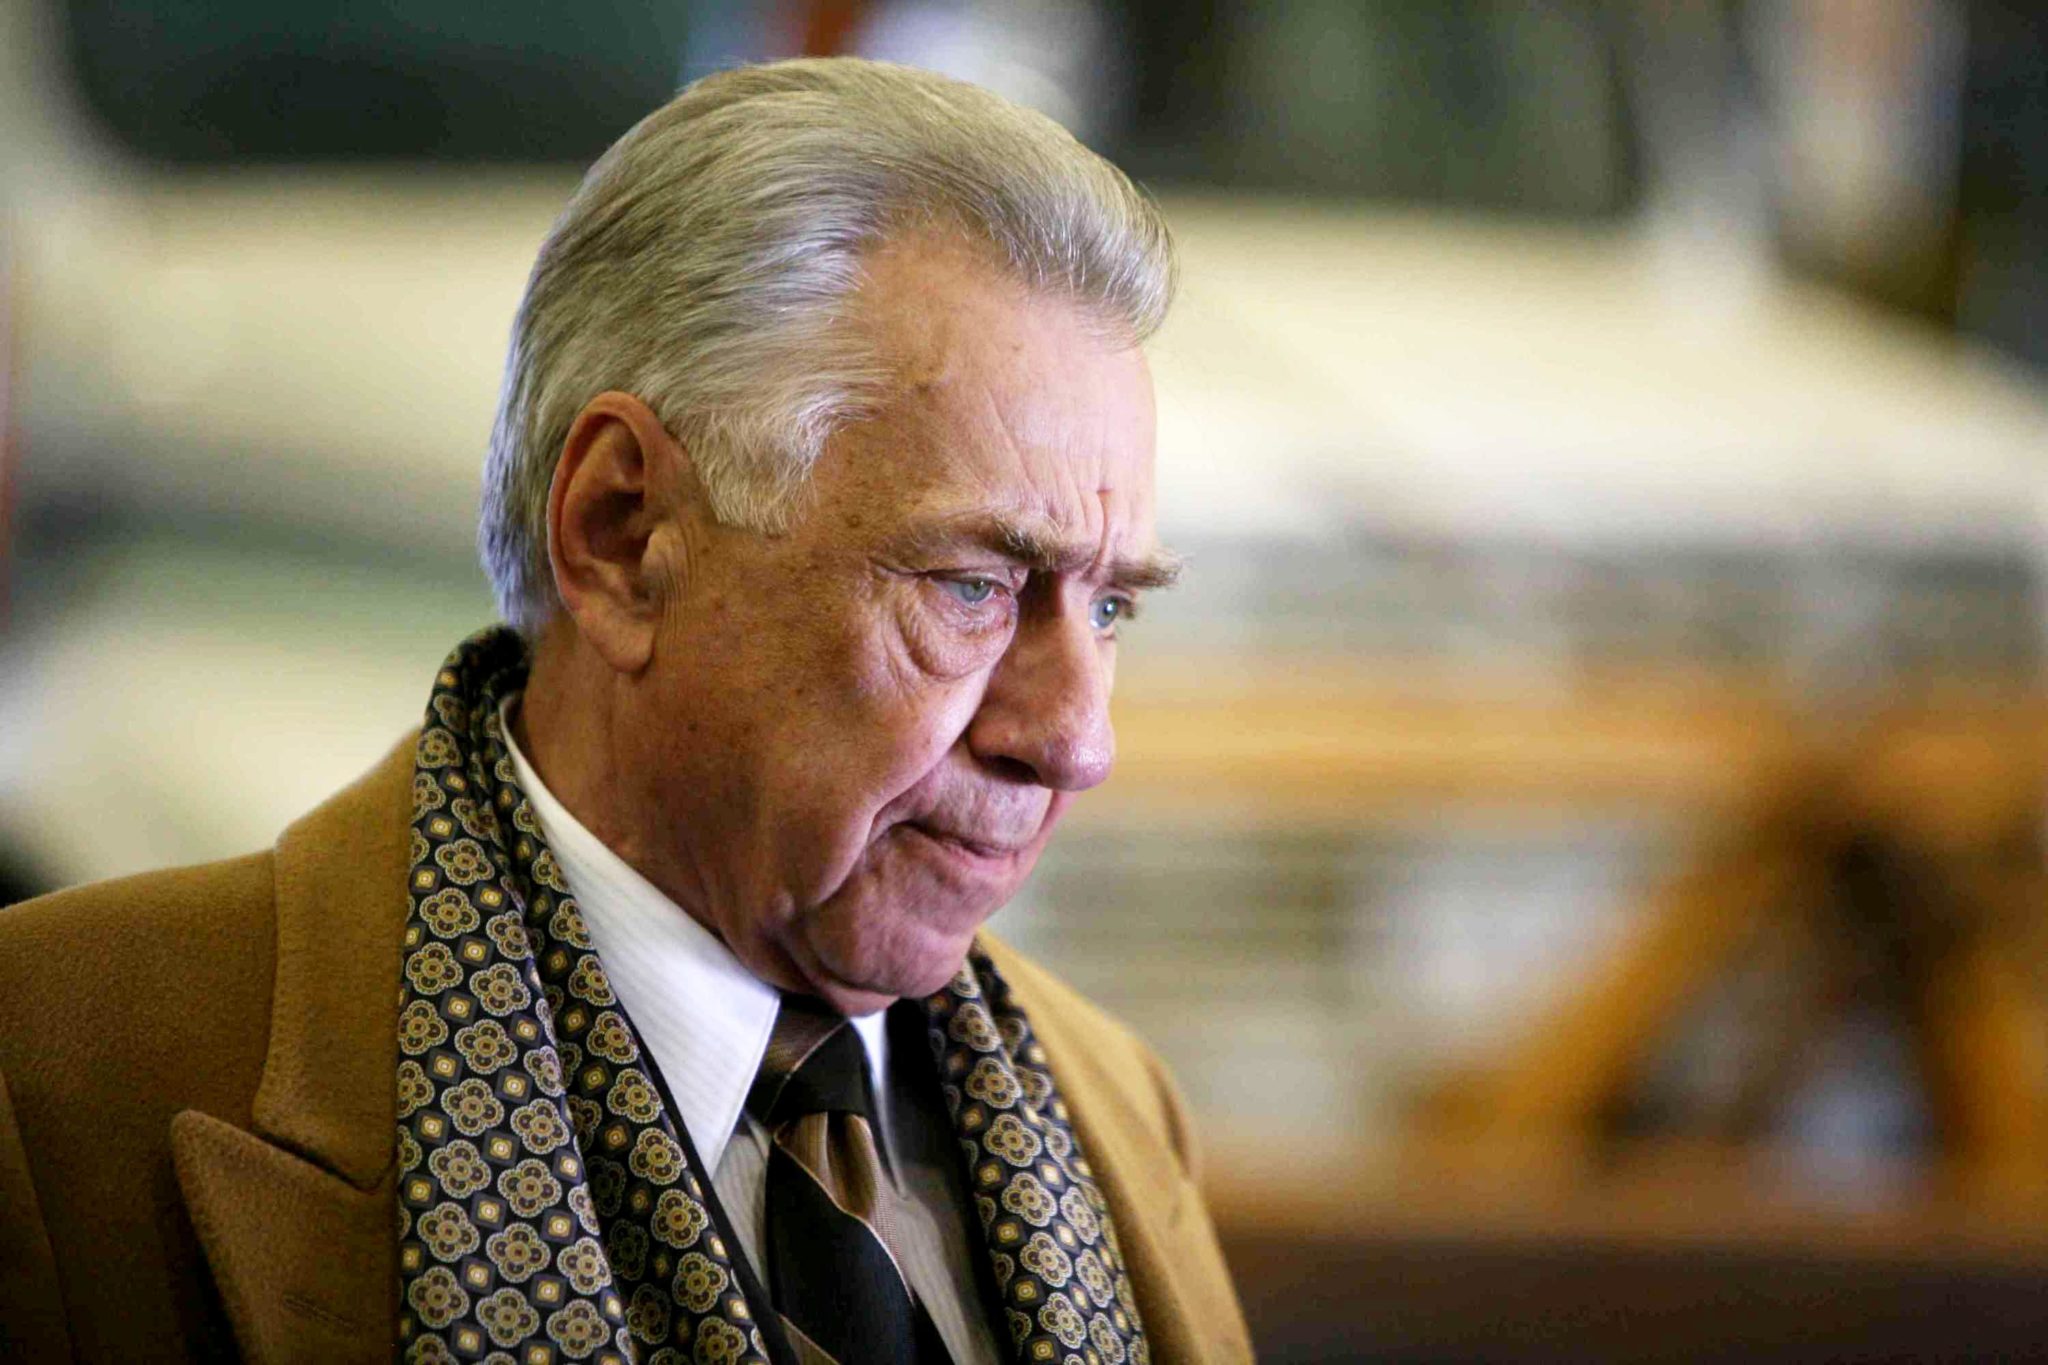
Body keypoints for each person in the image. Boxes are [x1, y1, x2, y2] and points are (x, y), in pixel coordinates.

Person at [0, 58, 1251, 1364]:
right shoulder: (57, 1081)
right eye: (973, 586)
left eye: (1111, 605)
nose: (1078, 741)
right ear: (622, 534)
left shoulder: (1119, 1116)